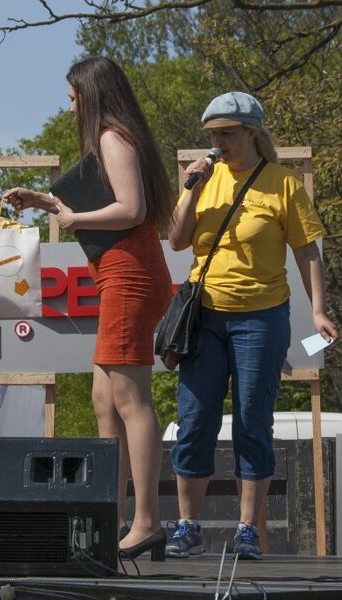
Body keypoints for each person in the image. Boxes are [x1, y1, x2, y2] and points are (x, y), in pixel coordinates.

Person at [3, 56, 175, 560]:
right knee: (105, 400)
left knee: (131, 400)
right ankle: (112, 515)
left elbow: (130, 209)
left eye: (73, 97)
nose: (70, 106)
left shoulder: (113, 137)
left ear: (92, 95)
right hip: (118, 276)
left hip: (129, 277)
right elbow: (110, 204)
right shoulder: (114, 140)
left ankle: (146, 522)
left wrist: (75, 219)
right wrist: (45, 201)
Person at [166, 91, 338, 560]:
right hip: (204, 317)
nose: (218, 142)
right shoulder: (204, 178)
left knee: (252, 420)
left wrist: (318, 311)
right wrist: (191, 189)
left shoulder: (283, 184)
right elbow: (177, 240)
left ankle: (246, 529)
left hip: (261, 318)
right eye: (213, 134)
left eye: (227, 133)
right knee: (195, 419)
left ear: (251, 133)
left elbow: (307, 251)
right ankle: (188, 526)